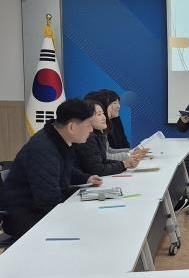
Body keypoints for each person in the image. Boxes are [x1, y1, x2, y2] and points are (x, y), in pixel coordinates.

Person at [0, 99, 103, 239]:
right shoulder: (43, 149)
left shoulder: (58, 138)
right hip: (25, 215)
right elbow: (48, 201)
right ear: (72, 127)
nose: (91, 130)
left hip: (40, 208)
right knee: (89, 227)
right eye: (88, 125)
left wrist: (86, 178)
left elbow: (62, 169)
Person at [74, 100, 140, 176]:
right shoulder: (87, 138)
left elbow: (103, 160)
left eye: (103, 113)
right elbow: (97, 169)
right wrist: (124, 164)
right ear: (87, 119)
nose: (104, 117)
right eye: (99, 114)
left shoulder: (98, 134)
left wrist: (125, 164)